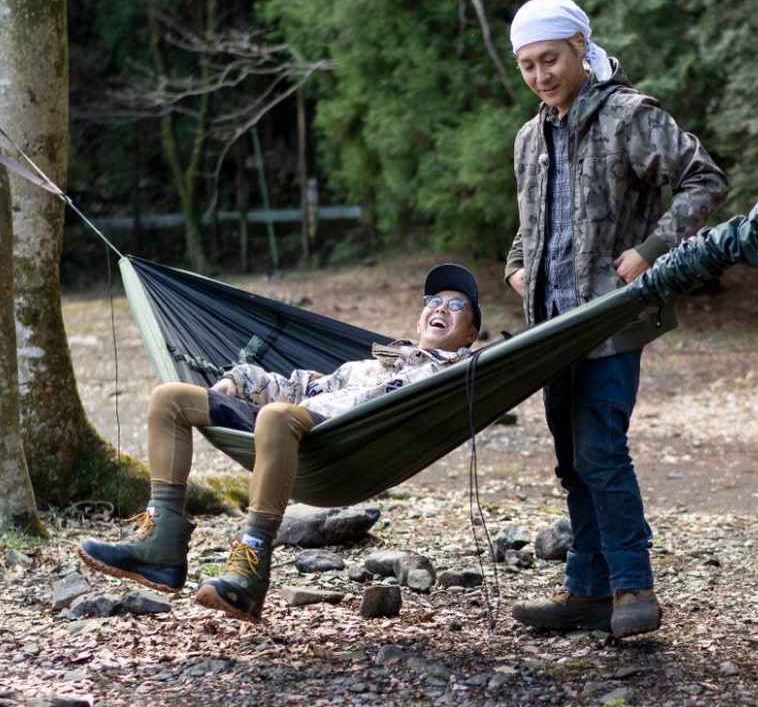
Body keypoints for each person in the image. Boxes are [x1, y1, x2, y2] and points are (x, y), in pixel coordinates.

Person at [78, 264, 482, 623]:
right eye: (433, 301)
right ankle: (161, 546)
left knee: (275, 416)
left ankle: (250, 567)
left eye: (456, 305)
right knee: (170, 398)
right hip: (292, 422)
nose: (441, 308)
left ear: (471, 334)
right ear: (418, 321)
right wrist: (241, 381)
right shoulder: (370, 365)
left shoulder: (453, 375)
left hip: (346, 441)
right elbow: (300, 385)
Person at [502, 0, 728, 638]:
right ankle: (587, 592)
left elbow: (704, 179)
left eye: (550, 60)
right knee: (571, 459)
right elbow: (528, 224)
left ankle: (634, 587)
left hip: (611, 318)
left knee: (601, 449)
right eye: (527, 66)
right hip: (546, 330)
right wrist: (516, 267)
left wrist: (651, 251)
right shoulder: (529, 137)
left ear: (579, 46)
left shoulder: (630, 115)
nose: (541, 76)